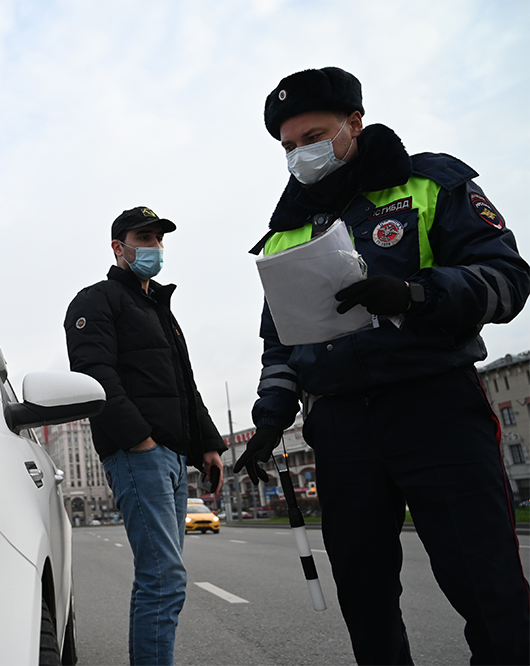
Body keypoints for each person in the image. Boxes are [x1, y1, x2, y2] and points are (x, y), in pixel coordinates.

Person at [237, 67, 530, 665]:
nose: (301, 155)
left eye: (313, 136)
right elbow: (281, 346)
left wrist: (416, 294)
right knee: (365, 599)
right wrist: (269, 419)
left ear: (354, 124)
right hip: (342, 429)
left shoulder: (429, 183)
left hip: (434, 408)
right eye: (289, 147)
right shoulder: (284, 233)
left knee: (489, 588)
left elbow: (508, 282)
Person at [64, 206, 226, 666]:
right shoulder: (96, 301)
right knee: (163, 576)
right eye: (143, 237)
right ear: (119, 247)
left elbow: (183, 386)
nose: (153, 246)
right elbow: (96, 377)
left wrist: (208, 445)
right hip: (140, 456)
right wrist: (140, 441)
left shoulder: (160, 310)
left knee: (166, 577)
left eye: (158, 238)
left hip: (173, 456)